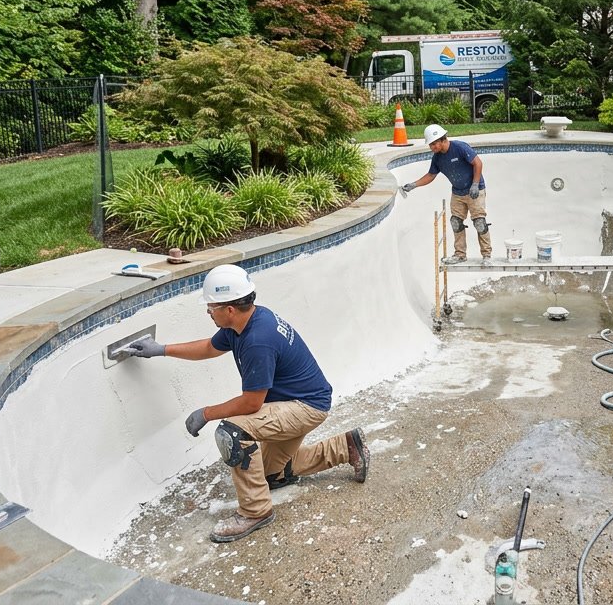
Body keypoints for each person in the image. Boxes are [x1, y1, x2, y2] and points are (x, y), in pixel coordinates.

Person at [126, 264, 370, 543]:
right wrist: (162, 350)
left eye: (211, 307)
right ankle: (345, 447)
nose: (208, 311)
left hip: (305, 407)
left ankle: (255, 511)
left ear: (229, 309)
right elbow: (209, 347)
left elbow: (252, 403)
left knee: (233, 433)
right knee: (268, 474)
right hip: (295, 402)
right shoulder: (245, 321)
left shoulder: (257, 340)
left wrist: (206, 413)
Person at [400, 124, 492, 265]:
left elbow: (478, 163)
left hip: (475, 190)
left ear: (443, 139)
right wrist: (414, 185)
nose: (432, 147)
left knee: (479, 222)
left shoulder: (460, 147)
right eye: (430, 145)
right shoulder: (437, 158)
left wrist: (475, 184)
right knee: (455, 222)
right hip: (457, 192)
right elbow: (431, 175)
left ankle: (487, 255)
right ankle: (460, 255)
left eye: (434, 144)